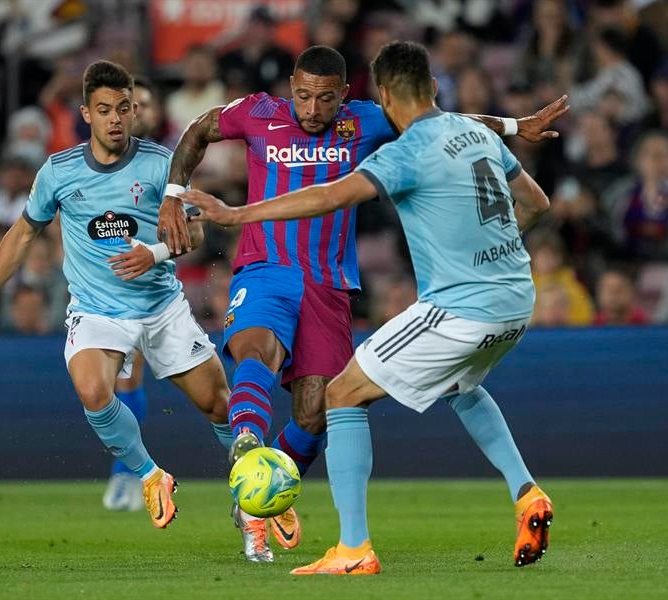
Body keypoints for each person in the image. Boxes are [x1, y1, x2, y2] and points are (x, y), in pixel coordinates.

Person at [158, 44, 567, 562]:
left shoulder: (370, 126)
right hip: (269, 268)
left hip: (330, 282)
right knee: (259, 350)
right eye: (302, 96)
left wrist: (234, 214)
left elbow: (413, 138)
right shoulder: (259, 112)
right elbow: (199, 128)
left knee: (318, 410)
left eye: (324, 99)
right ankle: (249, 452)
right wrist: (174, 192)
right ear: (289, 86)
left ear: (353, 96)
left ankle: (265, 491)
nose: (311, 109)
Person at [0, 60, 233, 530]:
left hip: (161, 306)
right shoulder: (59, 172)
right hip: (97, 309)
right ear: (86, 113)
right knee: (92, 390)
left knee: (221, 405)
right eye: (104, 109)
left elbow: (197, 235)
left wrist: (156, 253)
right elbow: (23, 234)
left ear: (132, 111)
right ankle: (149, 475)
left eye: (123, 108)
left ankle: (255, 485)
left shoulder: (160, 163)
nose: (115, 118)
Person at [101, 74, 164, 512]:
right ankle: (131, 475)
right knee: (118, 383)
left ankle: (130, 476)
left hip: (155, 287)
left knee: (129, 379)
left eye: (139, 104)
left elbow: (190, 227)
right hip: (104, 287)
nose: (129, 112)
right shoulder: (95, 161)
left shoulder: (165, 162)